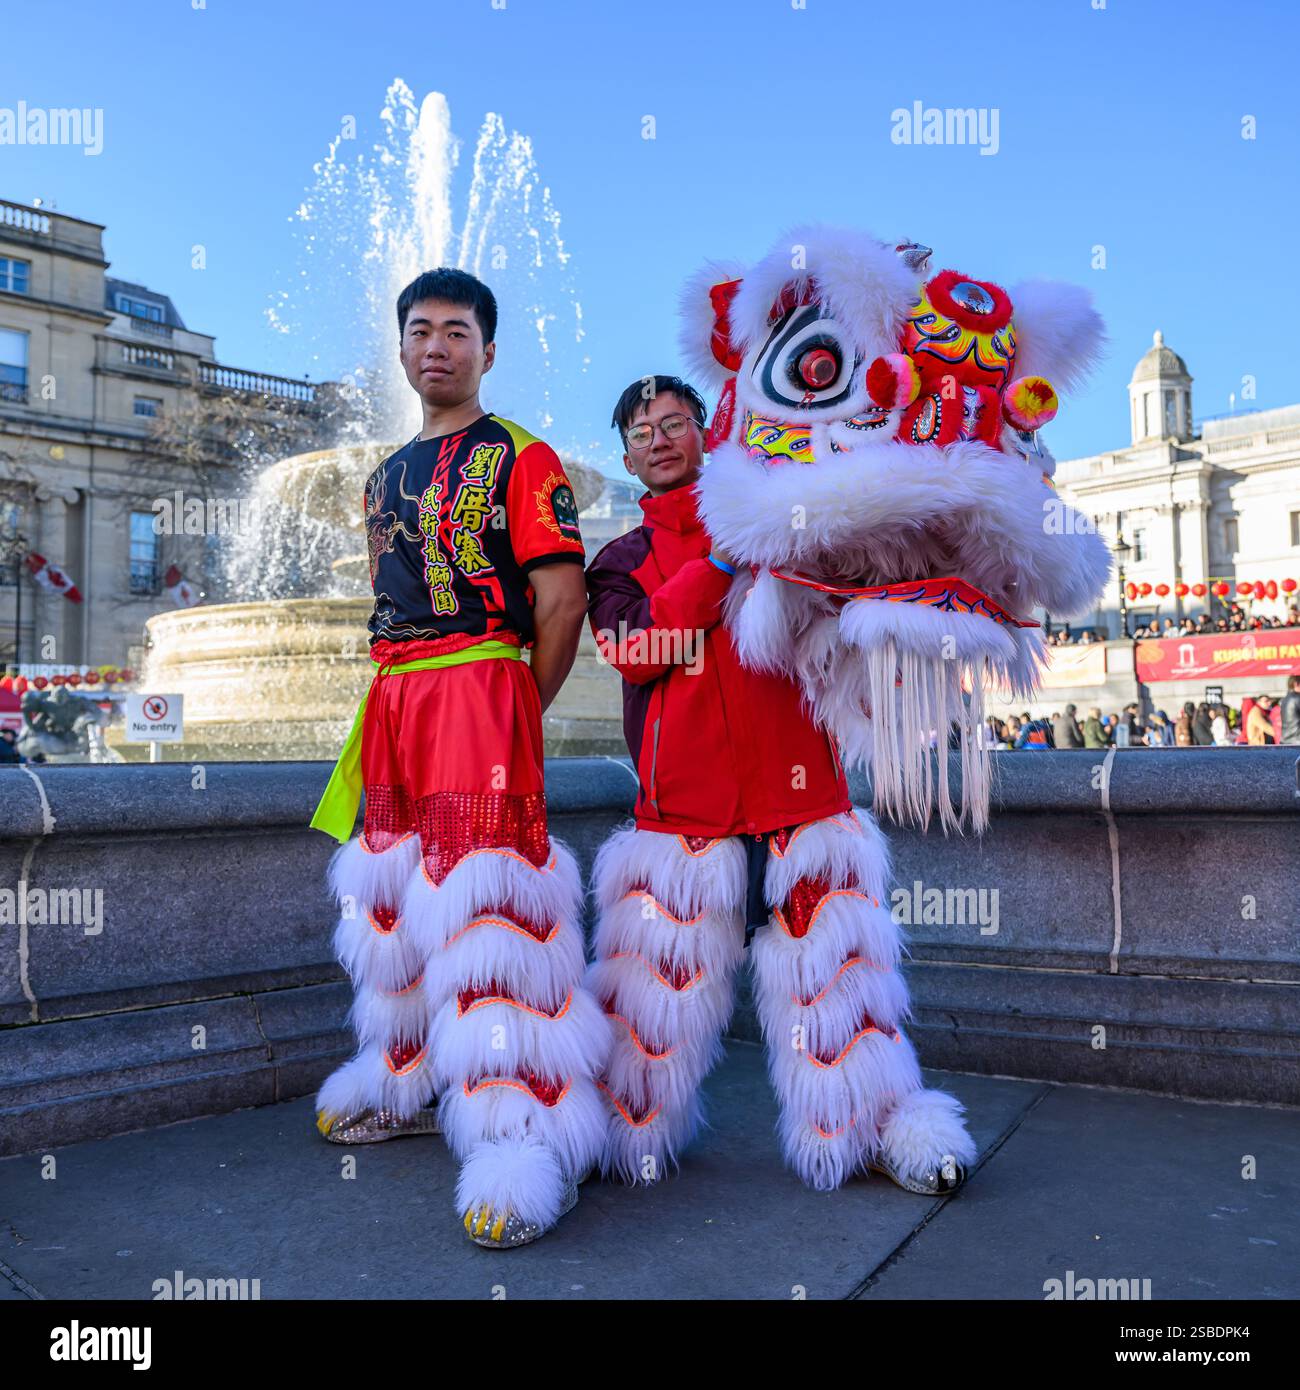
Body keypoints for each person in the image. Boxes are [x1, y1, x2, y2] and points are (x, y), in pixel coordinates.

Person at [582, 375, 974, 1198]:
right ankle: (608, 1140)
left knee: (844, 1011)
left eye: (676, 423)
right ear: (624, 453)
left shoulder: (792, 523)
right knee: (647, 1031)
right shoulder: (618, 560)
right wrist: (720, 558)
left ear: (708, 432)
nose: (659, 439)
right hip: (680, 823)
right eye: (642, 430)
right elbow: (638, 651)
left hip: (805, 809)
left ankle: (876, 1132)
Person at [310, 267, 608, 1248]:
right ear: (399, 349)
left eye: (457, 331)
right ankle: (404, 1075)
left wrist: (516, 703)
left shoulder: (523, 457)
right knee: (395, 897)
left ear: (487, 350)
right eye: (420, 330)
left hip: (480, 684)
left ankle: (517, 1130)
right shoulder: (378, 476)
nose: (437, 345)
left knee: (492, 907)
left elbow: (561, 602)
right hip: (396, 694)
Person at [1281, 674, 1300, 746]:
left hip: (1287, 740)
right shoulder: (1297, 699)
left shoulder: (1286, 699)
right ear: (1296, 684)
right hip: (1297, 740)